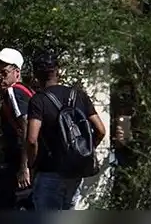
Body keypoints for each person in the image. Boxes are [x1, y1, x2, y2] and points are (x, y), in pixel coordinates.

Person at [26, 51, 106, 211]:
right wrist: (83, 151)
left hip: (49, 171)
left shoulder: (38, 100)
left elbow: (32, 139)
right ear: (58, 71)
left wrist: (31, 165)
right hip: (75, 172)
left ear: (36, 75)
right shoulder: (79, 95)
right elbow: (101, 130)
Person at [0, 47, 34, 210]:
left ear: (16, 73)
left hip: (18, 164)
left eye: (4, 73)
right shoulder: (28, 92)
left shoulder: (13, 92)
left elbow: (26, 126)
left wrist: (24, 167)